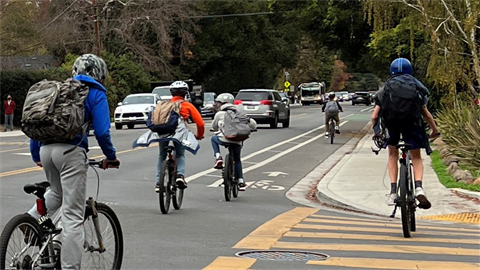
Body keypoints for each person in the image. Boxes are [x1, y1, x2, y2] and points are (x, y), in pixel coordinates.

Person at [28, 54, 120, 270]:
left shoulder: (59, 91)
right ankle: (70, 268)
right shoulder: (96, 93)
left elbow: (38, 121)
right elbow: (102, 132)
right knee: (72, 216)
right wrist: (111, 156)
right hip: (71, 152)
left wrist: (36, 155)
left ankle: (30, 222)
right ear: (100, 74)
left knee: (56, 193)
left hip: (46, 150)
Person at [371, 57, 440, 209]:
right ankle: (419, 188)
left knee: (392, 155)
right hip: (412, 125)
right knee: (416, 157)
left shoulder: (386, 88)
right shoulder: (415, 86)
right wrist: (435, 130)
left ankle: (393, 191)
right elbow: (426, 114)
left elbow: (374, 116)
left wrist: (377, 131)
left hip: (392, 126)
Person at [155, 81, 204, 191]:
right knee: (180, 154)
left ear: (171, 93)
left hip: (163, 131)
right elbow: (200, 123)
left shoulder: (164, 105)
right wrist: (199, 135)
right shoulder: (187, 105)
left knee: (161, 155)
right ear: (185, 93)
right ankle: (180, 176)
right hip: (180, 132)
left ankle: (159, 183)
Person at [211, 93, 257, 191]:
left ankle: (218, 156)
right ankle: (240, 180)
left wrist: (216, 129)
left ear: (221, 104)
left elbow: (214, 127)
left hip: (224, 138)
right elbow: (253, 124)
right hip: (237, 140)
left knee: (213, 139)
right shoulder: (239, 113)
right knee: (237, 160)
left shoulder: (219, 114)